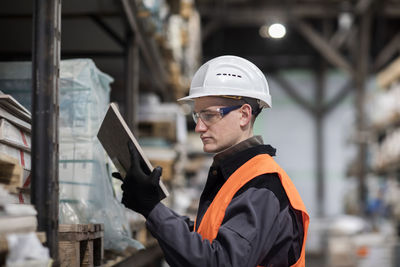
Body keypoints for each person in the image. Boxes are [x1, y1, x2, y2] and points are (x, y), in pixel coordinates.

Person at [115, 55, 309, 267]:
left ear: (244, 115)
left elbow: (220, 262)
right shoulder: (236, 176)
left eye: (209, 115)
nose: (199, 127)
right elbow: (206, 236)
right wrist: (150, 206)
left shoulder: (262, 185)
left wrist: (152, 208)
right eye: (197, 116)